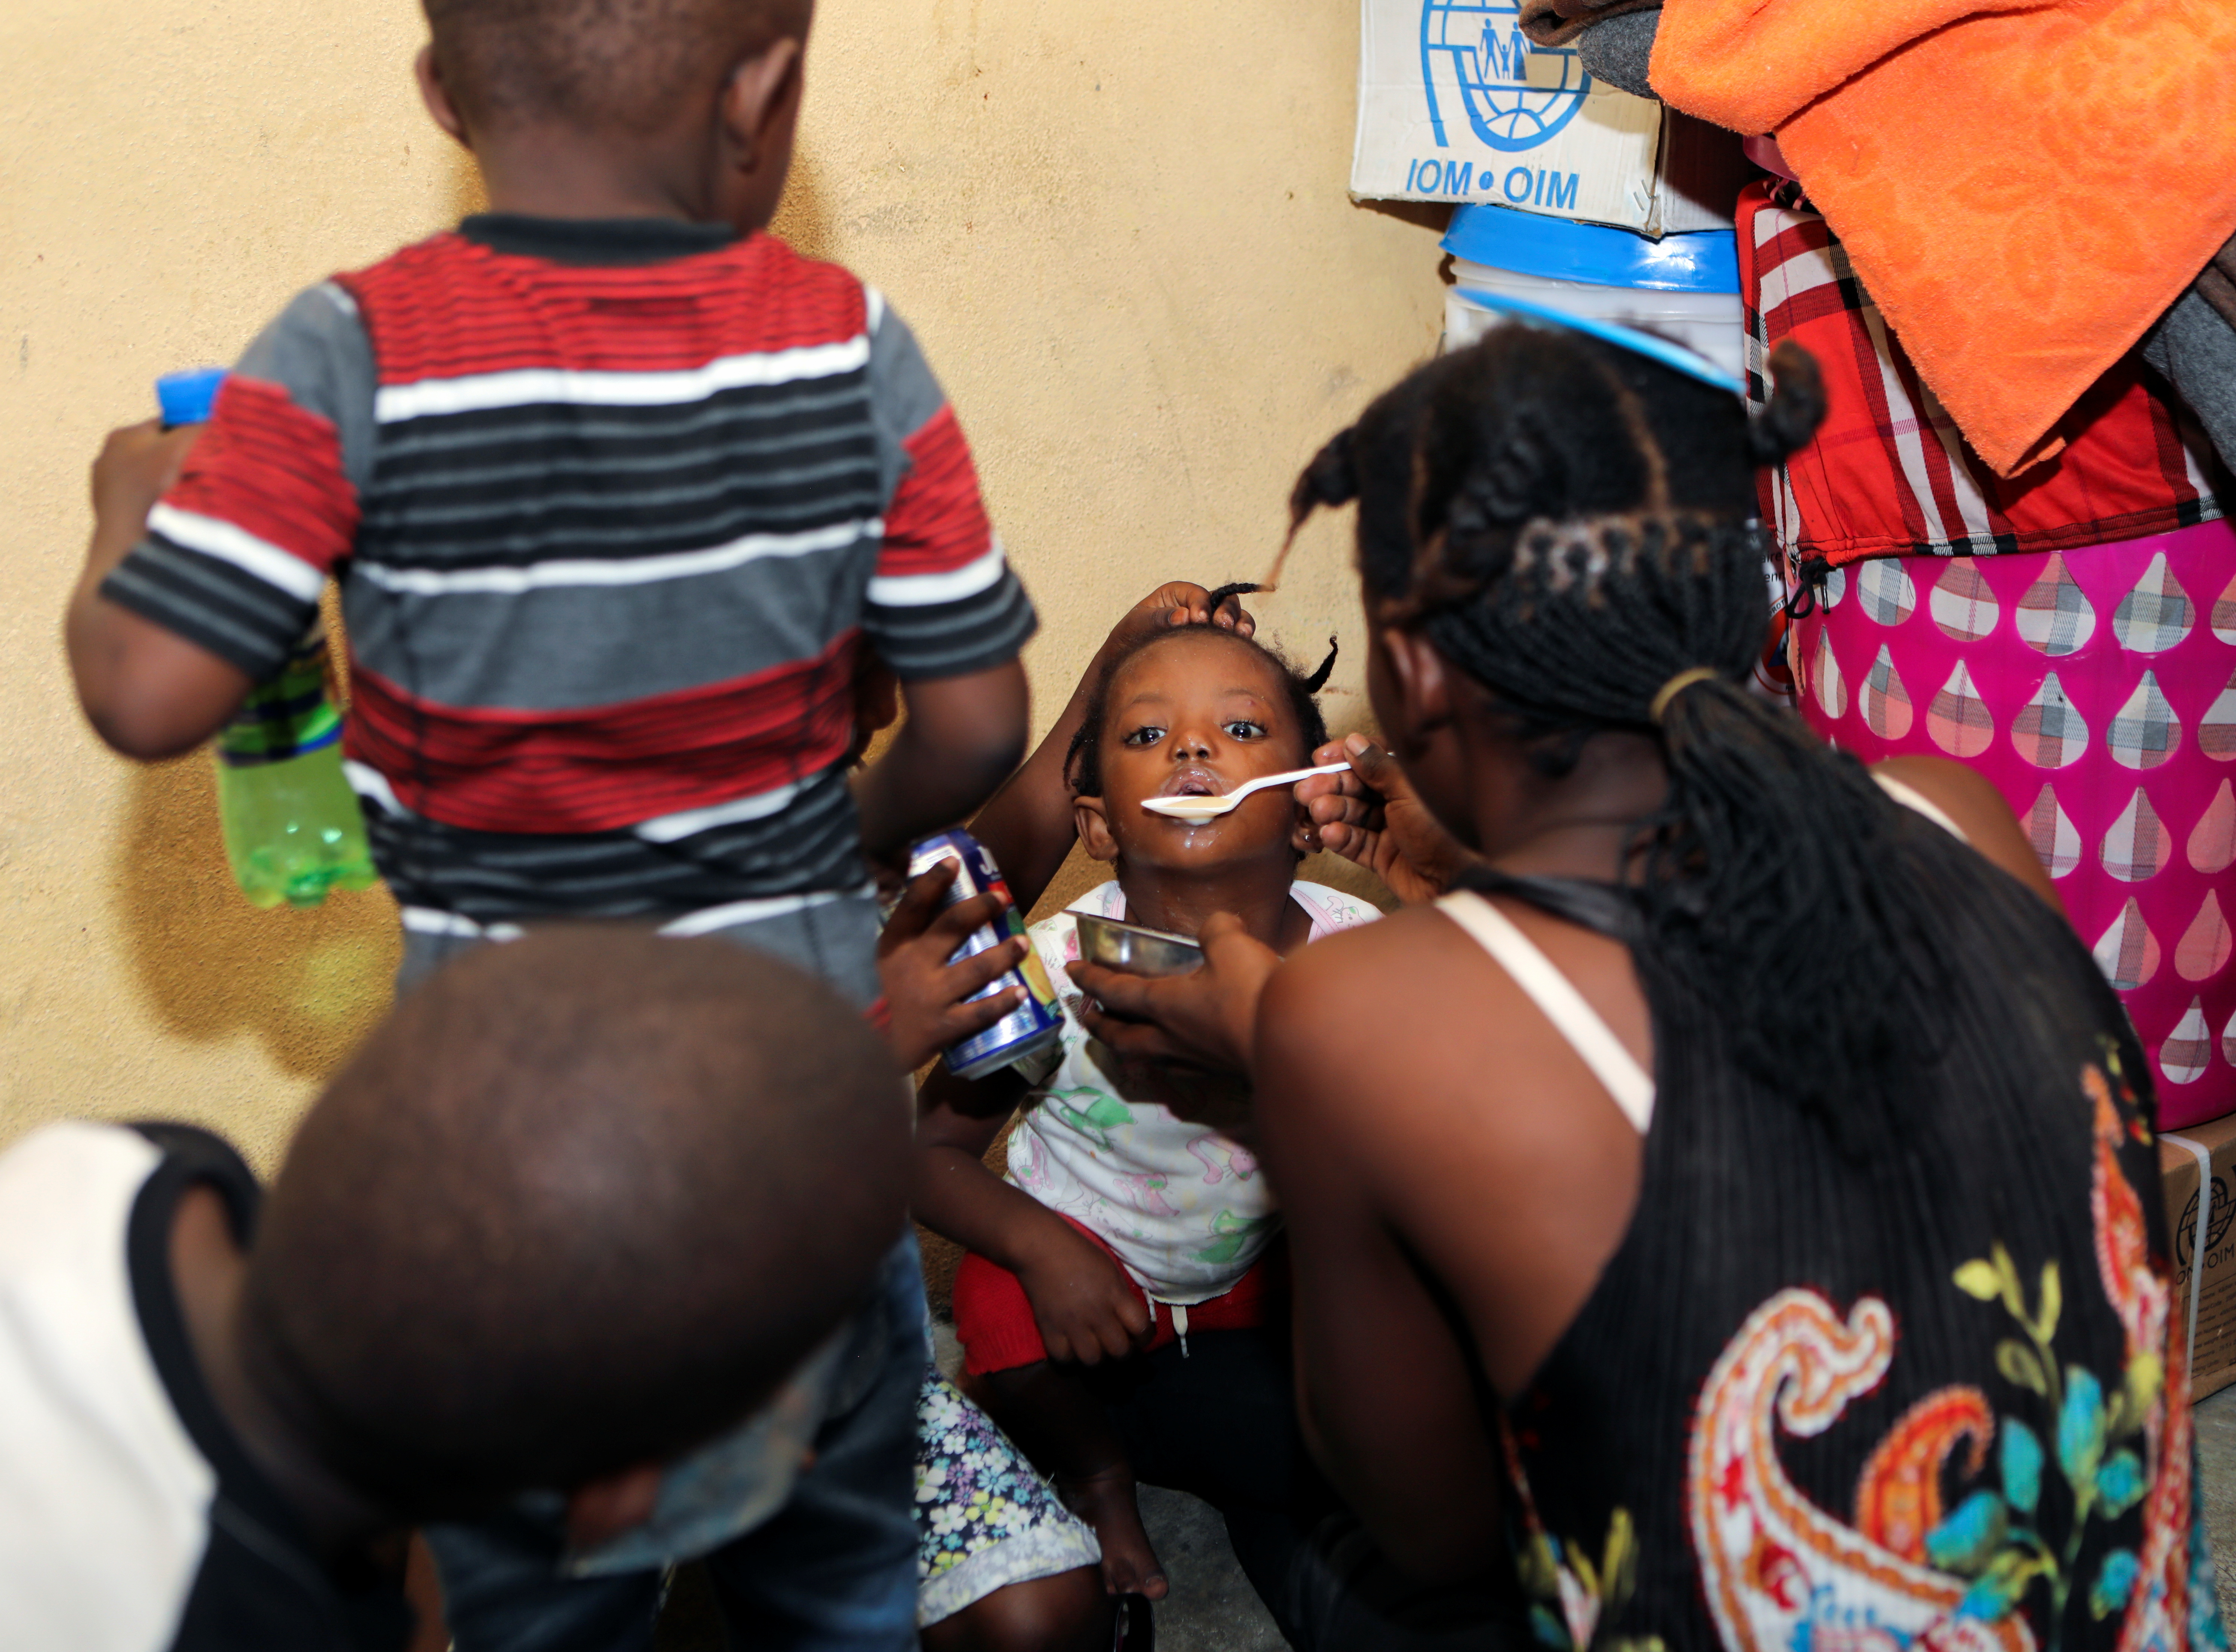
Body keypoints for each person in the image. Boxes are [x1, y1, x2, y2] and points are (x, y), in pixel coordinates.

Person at [54, 0, 1108, 1641]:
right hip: (799, 1132)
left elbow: (146, 694)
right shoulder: (845, 338)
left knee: (537, 1595)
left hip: (508, 1152)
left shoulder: (347, 347)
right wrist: (828, 838)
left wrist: (135, 495)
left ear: (440, 92)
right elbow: (973, 718)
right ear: (764, 94)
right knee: (834, 1572)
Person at [1071, 322, 2228, 1651]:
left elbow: (1433, 1524)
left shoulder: (1345, 1016)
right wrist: (1468, 887)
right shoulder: (1950, 813)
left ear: (1415, 673)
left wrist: (1279, 1063)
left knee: (1359, 1585)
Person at [0, 929, 910, 1652]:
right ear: (620, 1499)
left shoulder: (123, 1171)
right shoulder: (209, 1622)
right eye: (777, 1418)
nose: (797, 1461)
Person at [912, 582, 1381, 1624]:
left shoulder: (1356, 948)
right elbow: (925, 1154)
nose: (1191, 750)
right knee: (995, 1299)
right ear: (1093, 820)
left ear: (1312, 804)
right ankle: (1097, 1479)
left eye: (1243, 727)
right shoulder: (1047, 970)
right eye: (1148, 733)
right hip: (1083, 1262)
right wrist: (1044, 1249)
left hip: (1249, 1276)